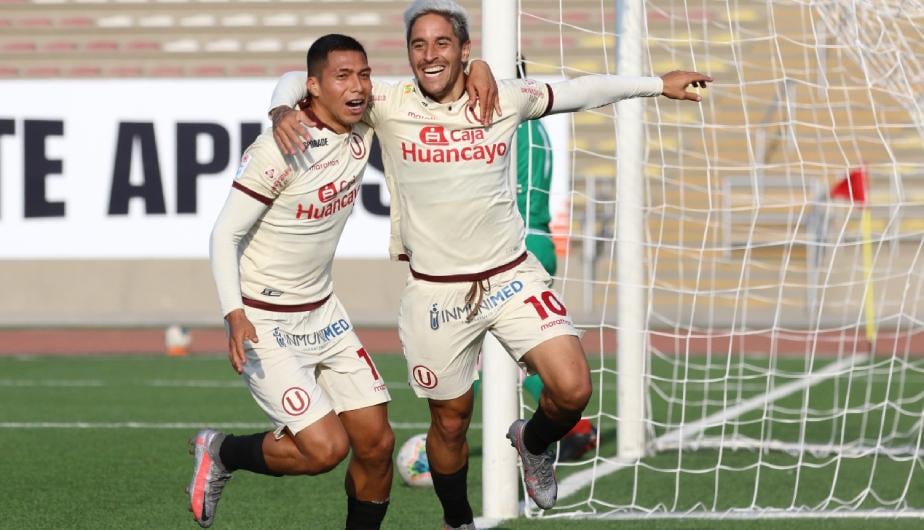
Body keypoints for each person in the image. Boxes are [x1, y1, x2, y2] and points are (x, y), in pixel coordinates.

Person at [268, 2, 711, 527]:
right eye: (418, 45)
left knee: (573, 388)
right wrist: (281, 110)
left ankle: (534, 440)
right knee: (451, 424)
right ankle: (458, 520)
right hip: (436, 294)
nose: (429, 55)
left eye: (442, 44)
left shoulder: (501, 97)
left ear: (464, 51)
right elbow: (298, 76)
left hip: (510, 277)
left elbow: (580, 90)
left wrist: (657, 83)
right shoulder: (386, 102)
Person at [190, 34, 394, 530]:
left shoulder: (362, 120)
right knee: (325, 450)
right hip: (266, 321)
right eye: (342, 76)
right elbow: (223, 236)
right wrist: (233, 313)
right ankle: (222, 452)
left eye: (363, 74)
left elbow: (289, 80)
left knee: (377, 443)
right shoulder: (280, 148)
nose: (358, 86)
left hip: (324, 312)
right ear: (315, 87)